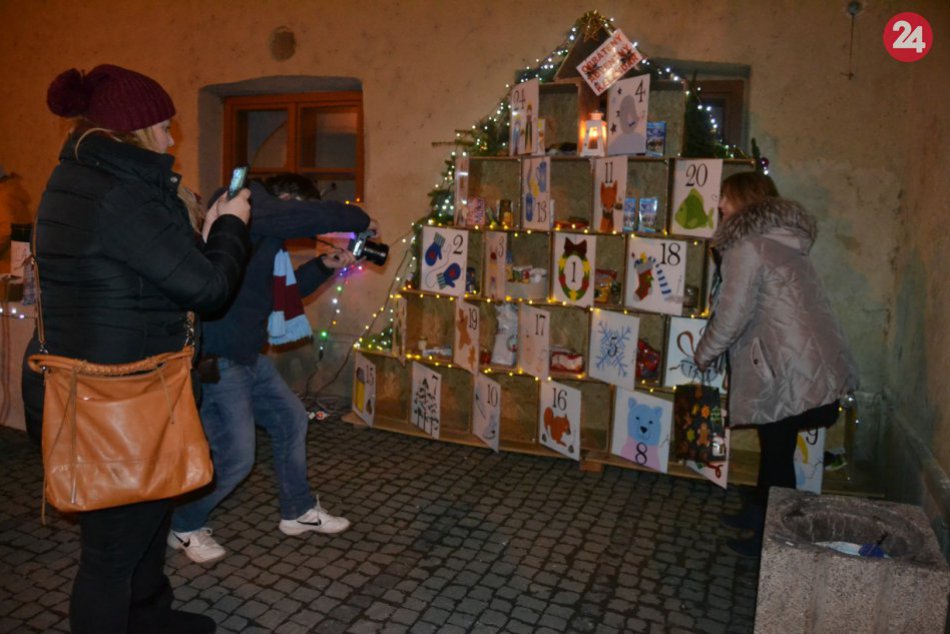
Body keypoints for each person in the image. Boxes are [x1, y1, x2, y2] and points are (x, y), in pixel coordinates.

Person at [25, 65, 252, 634]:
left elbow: (154, 272)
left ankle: (148, 617)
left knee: (149, 519)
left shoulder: (88, 178)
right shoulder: (117, 194)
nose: (172, 138)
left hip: (123, 386)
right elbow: (208, 289)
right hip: (117, 400)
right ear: (136, 130)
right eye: (164, 126)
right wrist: (229, 228)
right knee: (111, 555)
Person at [168, 173, 378, 563]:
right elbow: (288, 216)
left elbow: (280, 293)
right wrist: (357, 219)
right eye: (296, 211)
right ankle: (182, 525)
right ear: (283, 200)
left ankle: (297, 511)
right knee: (235, 456)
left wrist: (325, 264)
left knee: (291, 420)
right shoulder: (239, 201)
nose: (297, 222)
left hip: (248, 356)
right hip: (219, 359)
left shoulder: (266, 241)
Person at [694, 171, 858, 558]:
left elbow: (732, 316)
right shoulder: (780, 242)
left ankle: (777, 542)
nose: (719, 205)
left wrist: (703, 353)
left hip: (786, 372)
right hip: (808, 367)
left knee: (778, 451)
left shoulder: (747, 246)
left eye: (726, 198)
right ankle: (758, 515)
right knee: (775, 447)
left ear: (744, 201)